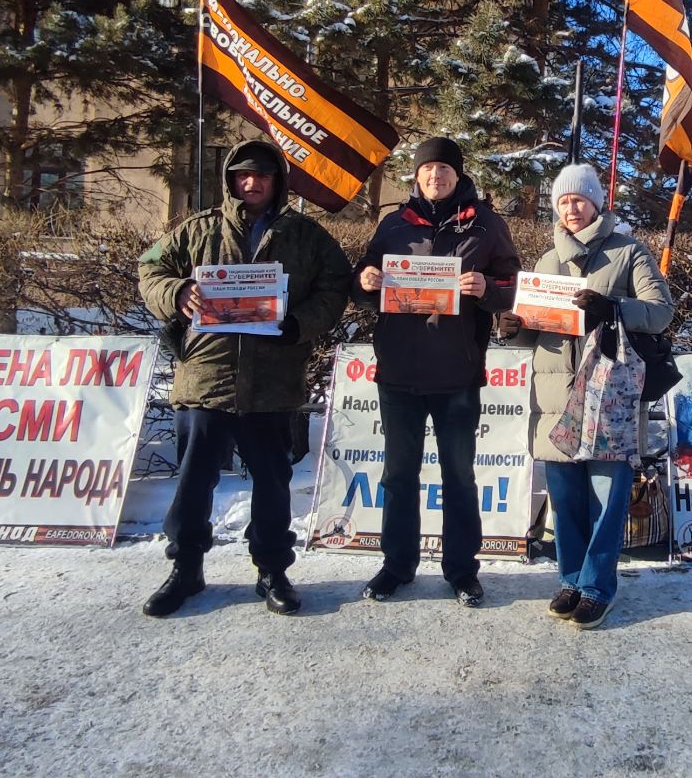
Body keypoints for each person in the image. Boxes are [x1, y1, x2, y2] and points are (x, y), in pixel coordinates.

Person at [135, 139, 352, 617]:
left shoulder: (304, 235)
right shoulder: (198, 229)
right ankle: (186, 567)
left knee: (272, 483)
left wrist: (301, 323)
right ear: (231, 180)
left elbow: (337, 284)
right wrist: (177, 292)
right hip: (206, 378)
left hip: (274, 381)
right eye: (242, 175)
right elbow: (149, 270)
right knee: (194, 482)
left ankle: (273, 569)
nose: (251, 183)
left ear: (278, 181)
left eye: (262, 175)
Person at [499, 162, 672, 630]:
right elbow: (536, 334)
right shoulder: (546, 262)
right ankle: (571, 579)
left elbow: (660, 313)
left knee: (606, 498)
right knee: (566, 499)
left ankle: (597, 586)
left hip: (607, 397)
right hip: (555, 394)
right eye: (563, 201)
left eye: (579, 199)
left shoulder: (629, 251)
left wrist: (611, 308)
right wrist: (515, 330)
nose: (571, 209)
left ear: (597, 201)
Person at [353, 137, 520, 607]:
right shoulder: (393, 224)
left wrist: (489, 287)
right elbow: (366, 278)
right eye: (428, 170)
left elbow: (514, 286)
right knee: (399, 475)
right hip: (399, 373)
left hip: (457, 375)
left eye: (444, 169)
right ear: (417, 175)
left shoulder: (486, 223)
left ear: (457, 175)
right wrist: (364, 282)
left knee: (459, 476)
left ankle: (462, 570)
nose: (436, 177)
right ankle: (397, 565)